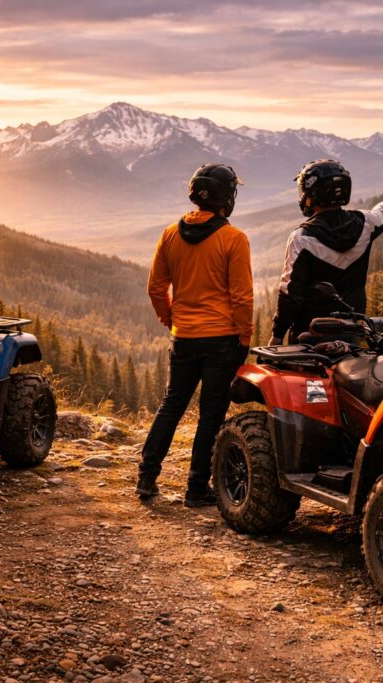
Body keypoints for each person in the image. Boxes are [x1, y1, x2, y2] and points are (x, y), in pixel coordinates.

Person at [138, 163, 254, 507]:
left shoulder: (170, 234)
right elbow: (242, 297)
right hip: (223, 339)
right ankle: (195, 488)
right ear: (227, 198)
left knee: (171, 405)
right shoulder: (234, 239)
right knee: (210, 415)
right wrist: (245, 337)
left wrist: (171, 317)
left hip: (184, 336)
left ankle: (146, 477)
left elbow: (156, 287)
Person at [270, 159, 383, 344]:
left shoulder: (301, 239)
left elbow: (290, 295)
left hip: (308, 335)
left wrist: (277, 335)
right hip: (352, 332)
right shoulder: (366, 224)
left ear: (312, 193)